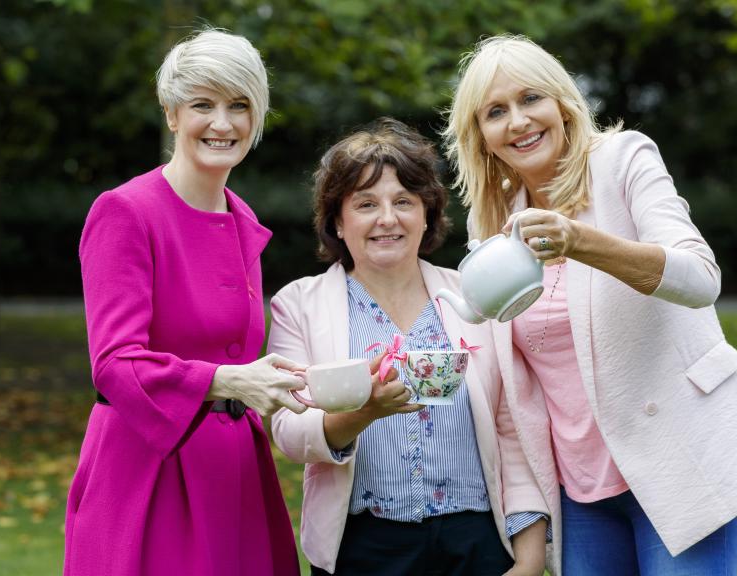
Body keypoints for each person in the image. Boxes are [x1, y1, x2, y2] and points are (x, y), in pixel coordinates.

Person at [442, 34, 737, 575]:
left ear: (563, 103)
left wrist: (581, 242)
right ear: (480, 137)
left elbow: (700, 277)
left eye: (532, 99)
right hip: (581, 490)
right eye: (496, 112)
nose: (519, 121)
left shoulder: (624, 159)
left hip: (675, 460)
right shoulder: (494, 222)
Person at [64, 29, 306, 576]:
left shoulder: (243, 222)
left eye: (239, 106)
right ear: (172, 115)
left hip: (237, 474)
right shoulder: (125, 212)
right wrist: (229, 381)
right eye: (203, 104)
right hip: (147, 476)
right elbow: (114, 365)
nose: (223, 123)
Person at [267, 118, 550, 576]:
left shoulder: (474, 297)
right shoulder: (299, 305)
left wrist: (530, 559)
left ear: (427, 214)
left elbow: (514, 430)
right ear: (338, 221)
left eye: (403, 201)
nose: (387, 218)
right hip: (364, 549)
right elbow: (290, 433)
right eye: (365, 203)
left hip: (476, 543)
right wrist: (364, 411)